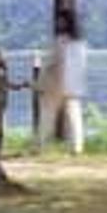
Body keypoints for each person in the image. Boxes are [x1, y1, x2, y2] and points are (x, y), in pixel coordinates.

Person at [36, 8, 87, 155]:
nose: (58, 22)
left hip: (56, 82)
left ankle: (41, 145)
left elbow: (51, 61)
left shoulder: (60, 41)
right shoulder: (80, 43)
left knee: (47, 114)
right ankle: (77, 146)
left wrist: (41, 79)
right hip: (74, 84)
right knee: (74, 116)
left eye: (60, 20)